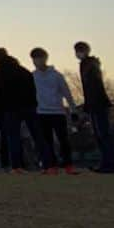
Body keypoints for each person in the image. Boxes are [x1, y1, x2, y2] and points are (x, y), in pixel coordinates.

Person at [75, 41, 114, 174]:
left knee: (103, 134)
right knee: (101, 135)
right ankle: (108, 162)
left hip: (97, 104)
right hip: (95, 104)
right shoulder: (90, 64)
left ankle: (112, 163)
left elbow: (93, 86)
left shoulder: (89, 65)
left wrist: (89, 104)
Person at [30, 47, 78, 175]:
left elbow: (67, 93)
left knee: (63, 140)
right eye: (34, 60)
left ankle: (68, 165)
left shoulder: (56, 76)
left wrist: (73, 109)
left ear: (45, 59)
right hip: (41, 113)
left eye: (39, 59)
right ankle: (51, 166)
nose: (37, 62)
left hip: (58, 112)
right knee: (47, 142)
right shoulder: (32, 77)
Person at [0, 49, 41, 173]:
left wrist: (0, 108)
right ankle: (48, 163)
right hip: (29, 106)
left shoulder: (0, 72)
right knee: (38, 135)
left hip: (11, 108)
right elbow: (32, 86)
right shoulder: (22, 70)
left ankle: (16, 166)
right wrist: (33, 103)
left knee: (13, 138)